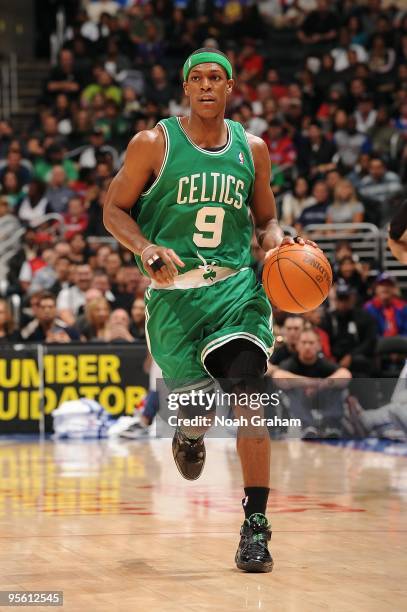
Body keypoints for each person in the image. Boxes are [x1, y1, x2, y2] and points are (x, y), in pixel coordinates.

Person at [103, 47, 318, 573]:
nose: (205, 85)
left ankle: (256, 527)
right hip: (175, 300)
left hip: (236, 292)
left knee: (249, 395)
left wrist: (275, 243)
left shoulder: (253, 148)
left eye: (215, 77)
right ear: (185, 87)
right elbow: (112, 209)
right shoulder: (153, 144)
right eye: (195, 77)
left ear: (229, 87)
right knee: (198, 412)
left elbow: (266, 218)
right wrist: (146, 248)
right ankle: (189, 431)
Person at [272, 327, 351, 437]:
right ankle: (308, 427)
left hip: (321, 399)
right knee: (292, 388)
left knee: (335, 385)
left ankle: (331, 427)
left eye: (311, 343)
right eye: (304, 343)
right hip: (300, 403)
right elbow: (278, 376)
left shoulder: (324, 363)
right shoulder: (290, 363)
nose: (307, 346)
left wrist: (323, 384)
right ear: (297, 345)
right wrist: (309, 383)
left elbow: (345, 375)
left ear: (318, 346)